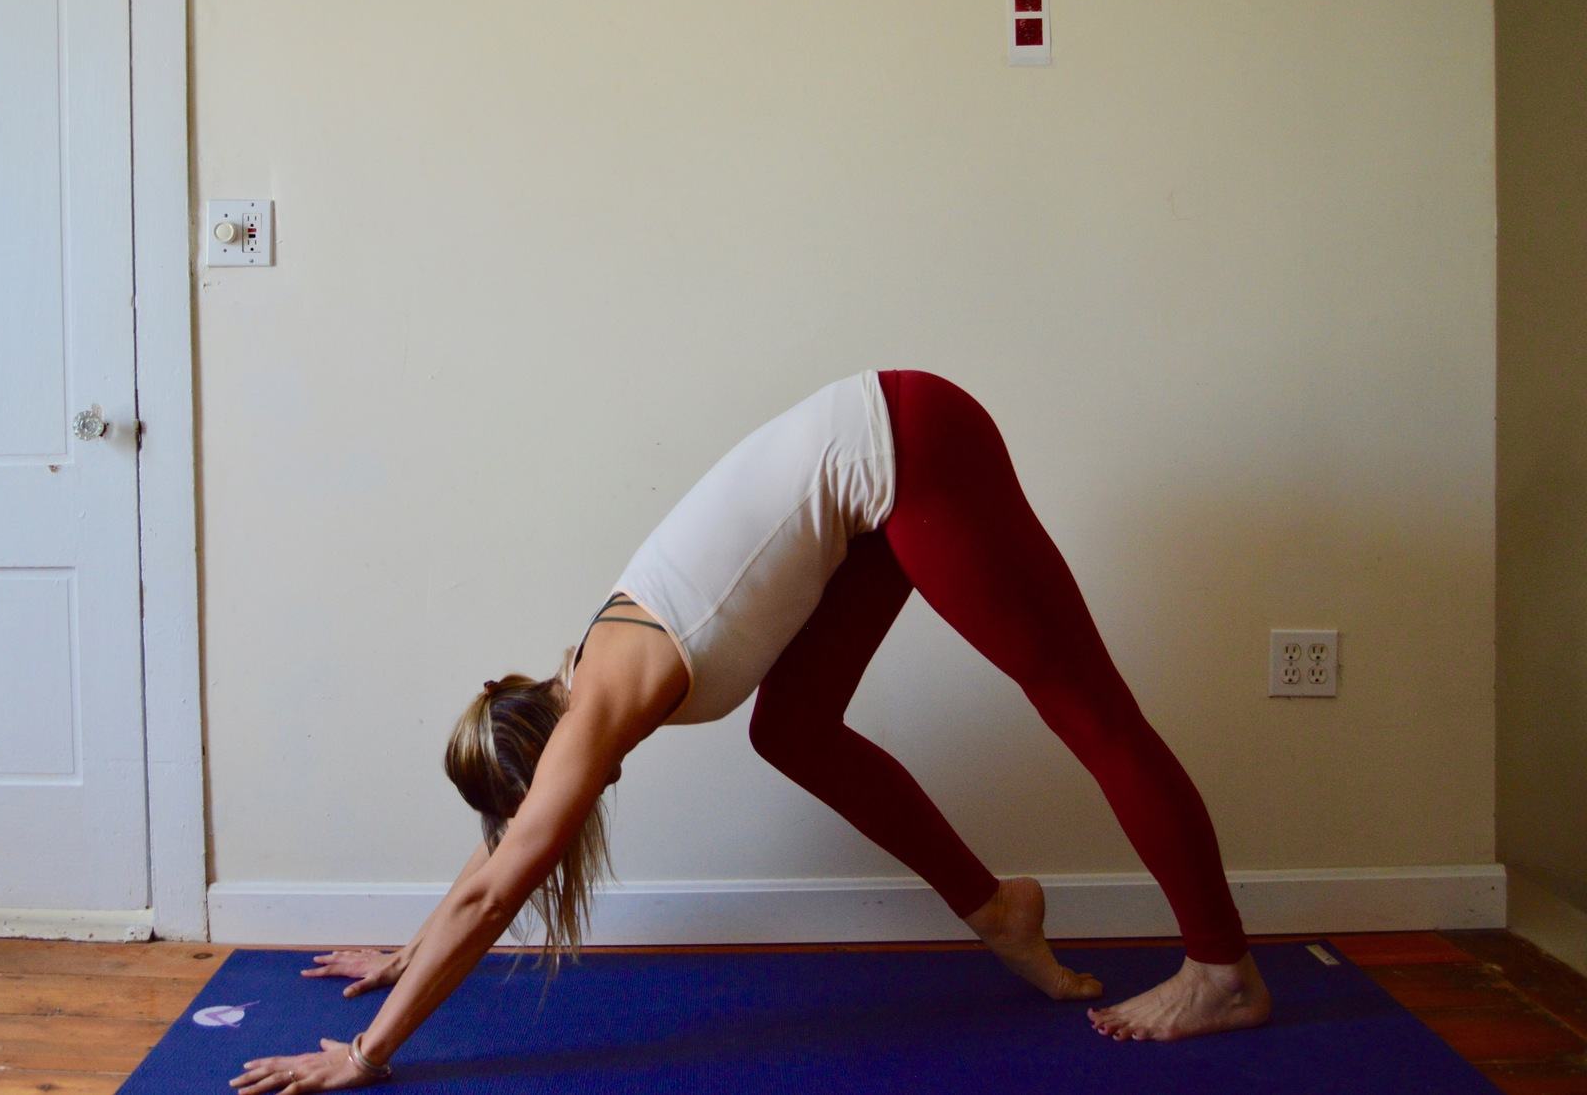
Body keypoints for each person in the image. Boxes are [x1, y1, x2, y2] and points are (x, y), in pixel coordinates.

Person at [231, 370, 1272, 1092]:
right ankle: (1000, 908)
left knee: (1086, 708)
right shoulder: (575, 688)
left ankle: (1219, 968)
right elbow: (497, 855)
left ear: (547, 760)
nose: (545, 816)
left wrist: (366, 1051)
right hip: (872, 485)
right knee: (795, 729)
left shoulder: (599, 700)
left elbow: (494, 887)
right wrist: (406, 949)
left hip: (914, 442)